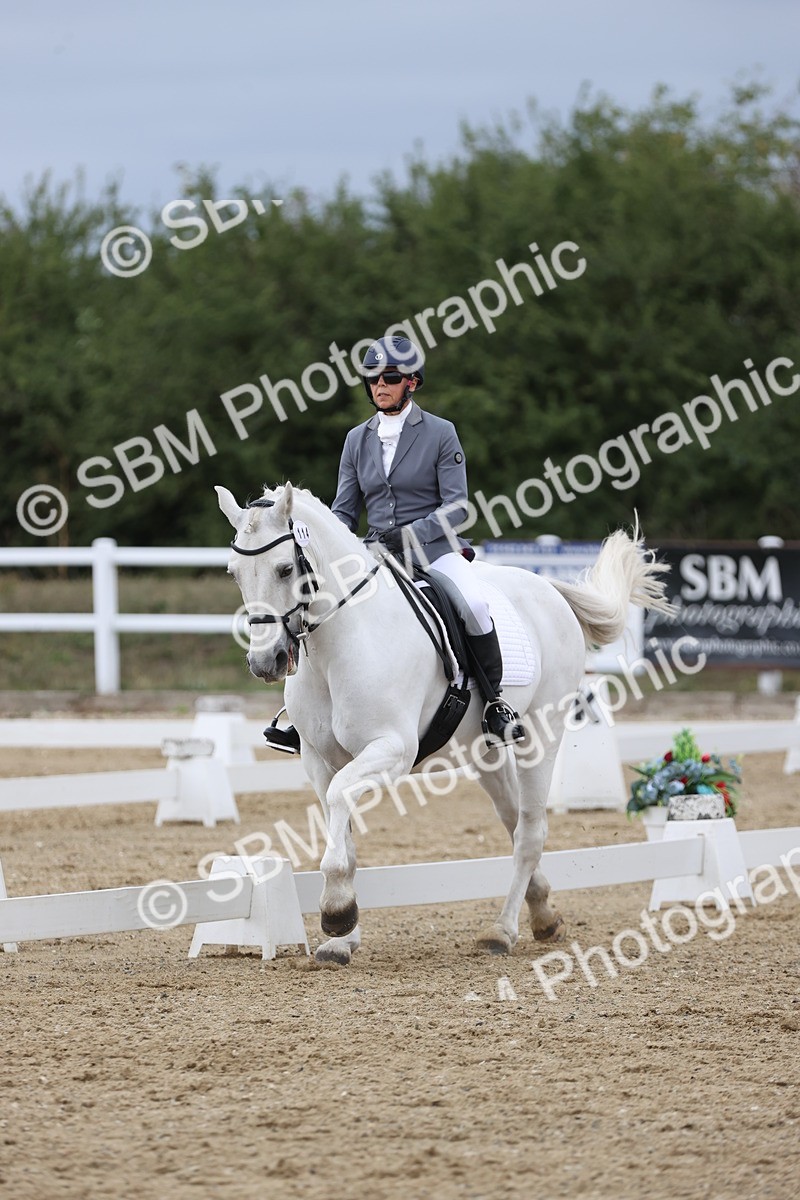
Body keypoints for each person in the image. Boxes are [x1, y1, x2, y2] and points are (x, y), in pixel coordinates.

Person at [264, 335, 524, 754]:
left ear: (412, 383)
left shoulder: (441, 433)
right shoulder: (356, 439)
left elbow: (457, 506)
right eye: (372, 378)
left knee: (474, 605)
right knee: (315, 605)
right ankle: (302, 717)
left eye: (390, 377)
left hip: (434, 551)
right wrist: (325, 544)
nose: (379, 385)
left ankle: (495, 704)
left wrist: (410, 534)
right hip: (373, 553)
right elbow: (344, 512)